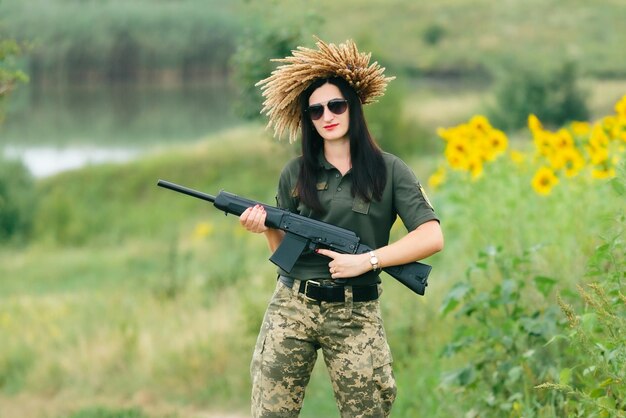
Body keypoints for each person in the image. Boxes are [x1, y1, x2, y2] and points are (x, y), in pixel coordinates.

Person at [239, 37, 444, 418]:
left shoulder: (390, 170)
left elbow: (432, 236)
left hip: (355, 312)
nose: (327, 116)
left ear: (354, 108)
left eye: (336, 105)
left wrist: (368, 261)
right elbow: (284, 256)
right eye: (315, 111)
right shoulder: (295, 173)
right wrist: (265, 226)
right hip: (291, 306)